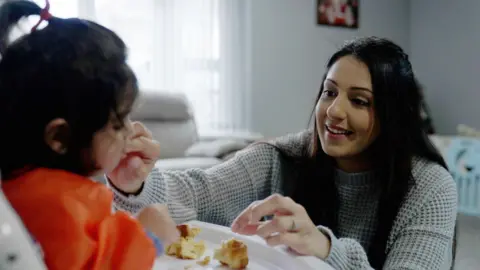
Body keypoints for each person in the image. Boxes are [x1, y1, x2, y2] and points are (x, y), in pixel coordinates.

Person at [108, 37, 458, 269]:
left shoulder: (429, 188)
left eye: (359, 101)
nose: (334, 111)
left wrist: (324, 248)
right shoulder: (283, 156)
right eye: (329, 92)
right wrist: (136, 183)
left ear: (394, 115)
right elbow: (199, 192)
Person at [0, 1, 178, 269]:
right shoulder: (53, 207)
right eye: (118, 124)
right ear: (59, 137)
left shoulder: (35, 184)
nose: (131, 130)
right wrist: (148, 236)